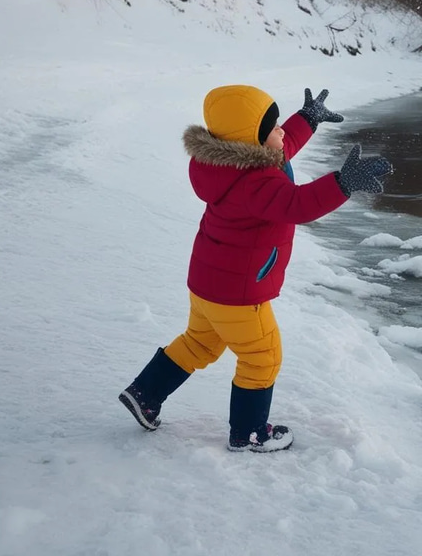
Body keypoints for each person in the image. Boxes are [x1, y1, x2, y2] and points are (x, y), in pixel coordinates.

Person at [119, 84, 392, 453]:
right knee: (263, 356)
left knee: (199, 343)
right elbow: (298, 204)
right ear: (251, 139)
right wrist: (342, 184)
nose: (280, 131)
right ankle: (249, 432)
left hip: (207, 283)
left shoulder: (224, 164)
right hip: (240, 292)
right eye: (272, 126)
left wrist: (306, 119)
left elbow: (280, 145)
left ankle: (145, 394)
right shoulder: (256, 182)